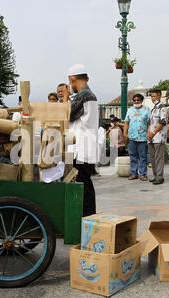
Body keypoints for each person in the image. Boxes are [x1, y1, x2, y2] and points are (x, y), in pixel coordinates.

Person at [65, 64, 99, 216]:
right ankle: (89, 219)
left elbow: (66, 114)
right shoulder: (89, 95)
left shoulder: (83, 95)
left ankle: (87, 220)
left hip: (82, 148)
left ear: (72, 79)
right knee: (86, 185)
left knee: (84, 186)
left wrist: (66, 97)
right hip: (85, 147)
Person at [123, 94, 150, 181]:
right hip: (132, 137)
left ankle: (142, 174)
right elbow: (126, 122)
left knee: (142, 157)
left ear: (141, 101)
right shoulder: (130, 110)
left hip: (142, 137)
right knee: (133, 156)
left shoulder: (147, 110)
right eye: (134, 100)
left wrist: (149, 134)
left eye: (138, 100)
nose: (136, 101)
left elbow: (150, 123)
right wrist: (125, 133)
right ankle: (134, 173)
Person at [147, 89, 167, 185]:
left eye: (154, 96)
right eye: (151, 96)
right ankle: (155, 176)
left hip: (158, 137)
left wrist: (153, 132)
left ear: (159, 96)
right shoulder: (153, 108)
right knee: (153, 158)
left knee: (159, 158)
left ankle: (160, 177)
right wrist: (149, 134)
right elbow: (150, 123)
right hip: (151, 137)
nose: (152, 98)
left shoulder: (162, 108)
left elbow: (162, 122)